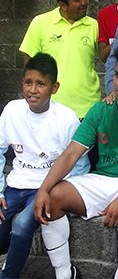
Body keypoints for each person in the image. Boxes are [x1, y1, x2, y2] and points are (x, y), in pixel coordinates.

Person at [33, 42, 118, 279]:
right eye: (117, 74)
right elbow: (71, 154)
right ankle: (65, 273)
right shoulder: (101, 109)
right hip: (103, 177)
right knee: (54, 196)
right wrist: (43, 190)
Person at [0, 54, 89, 279]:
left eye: (41, 84)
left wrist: (60, 196)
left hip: (45, 189)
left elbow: (79, 165)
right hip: (15, 184)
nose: (32, 90)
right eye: (28, 82)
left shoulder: (66, 119)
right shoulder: (12, 110)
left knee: (21, 226)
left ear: (54, 87)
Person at [19, 0, 100, 118]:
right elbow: (29, 64)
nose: (84, 2)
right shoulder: (40, 23)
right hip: (52, 109)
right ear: (63, 5)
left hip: (88, 110)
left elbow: (109, 59)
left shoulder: (94, 25)